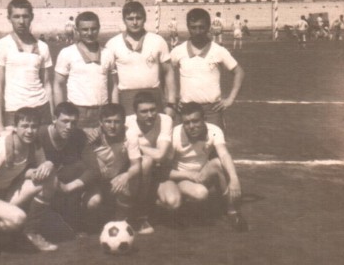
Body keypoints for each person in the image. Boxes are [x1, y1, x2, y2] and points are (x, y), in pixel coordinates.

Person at [0, 108, 60, 262]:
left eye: (34, 126)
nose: (29, 131)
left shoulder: (34, 143)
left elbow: (32, 171)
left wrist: (49, 164)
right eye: (24, 126)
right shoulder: (1, 148)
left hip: (6, 192)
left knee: (51, 179)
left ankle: (31, 232)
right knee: (18, 218)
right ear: (15, 127)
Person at [157, 103, 247, 232]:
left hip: (200, 175)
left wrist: (234, 179)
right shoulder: (174, 135)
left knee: (218, 163)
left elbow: (224, 154)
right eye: (187, 123)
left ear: (204, 119)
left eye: (195, 121)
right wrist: (188, 175)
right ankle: (172, 204)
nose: (191, 126)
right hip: (179, 178)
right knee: (200, 193)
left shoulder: (214, 130)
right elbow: (163, 171)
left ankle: (232, 211)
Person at [170, 8, 244, 129]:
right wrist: (171, 98)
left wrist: (230, 99)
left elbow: (239, 72)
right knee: (181, 141)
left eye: (201, 27)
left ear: (209, 27)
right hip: (186, 110)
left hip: (212, 110)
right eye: (193, 27)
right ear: (188, 27)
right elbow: (165, 72)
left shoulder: (218, 50)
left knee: (215, 140)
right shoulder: (178, 51)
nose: (197, 31)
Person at [87, 104, 153, 233]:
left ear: (123, 122)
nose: (112, 126)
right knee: (93, 202)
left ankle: (135, 217)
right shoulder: (92, 136)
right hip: (98, 180)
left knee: (146, 162)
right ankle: (89, 224)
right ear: (101, 122)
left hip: (117, 177)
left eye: (117, 122)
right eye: (108, 121)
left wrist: (126, 176)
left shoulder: (130, 134)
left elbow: (136, 165)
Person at [0, 0, 54, 135]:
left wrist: (52, 115)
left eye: (25, 16)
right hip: (14, 110)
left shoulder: (43, 47)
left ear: (31, 17)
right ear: (9, 18)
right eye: (16, 16)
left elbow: (47, 84)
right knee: (14, 148)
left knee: (43, 147)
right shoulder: (1, 45)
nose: (21, 21)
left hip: (41, 108)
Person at [37, 102, 100, 232]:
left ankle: (76, 223)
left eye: (73, 123)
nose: (69, 127)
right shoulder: (40, 133)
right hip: (42, 182)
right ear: (54, 119)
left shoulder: (78, 135)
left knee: (79, 169)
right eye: (65, 121)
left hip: (65, 184)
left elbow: (94, 168)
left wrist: (69, 187)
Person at [105, 1, 176, 117]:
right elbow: (111, 80)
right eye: (130, 18)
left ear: (145, 18)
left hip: (153, 96)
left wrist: (171, 103)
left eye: (138, 18)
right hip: (126, 98)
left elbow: (168, 72)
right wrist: (115, 106)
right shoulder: (112, 44)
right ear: (124, 20)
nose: (134, 22)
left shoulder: (158, 41)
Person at [54, 11, 117, 128]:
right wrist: (60, 114)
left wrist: (115, 111)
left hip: (103, 111)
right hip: (76, 112)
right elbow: (58, 84)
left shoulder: (107, 53)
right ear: (77, 30)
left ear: (99, 28)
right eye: (85, 29)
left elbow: (113, 85)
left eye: (93, 29)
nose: (89, 33)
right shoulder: (67, 53)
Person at [125, 91, 174, 233]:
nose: (150, 115)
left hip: (159, 171)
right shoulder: (126, 123)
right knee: (146, 162)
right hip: (135, 168)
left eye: (153, 110)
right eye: (144, 111)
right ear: (135, 112)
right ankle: (139, 214)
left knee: (173, 202)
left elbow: (160, 155)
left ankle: (149, 207)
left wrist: (135, 145)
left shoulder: (165, 120)